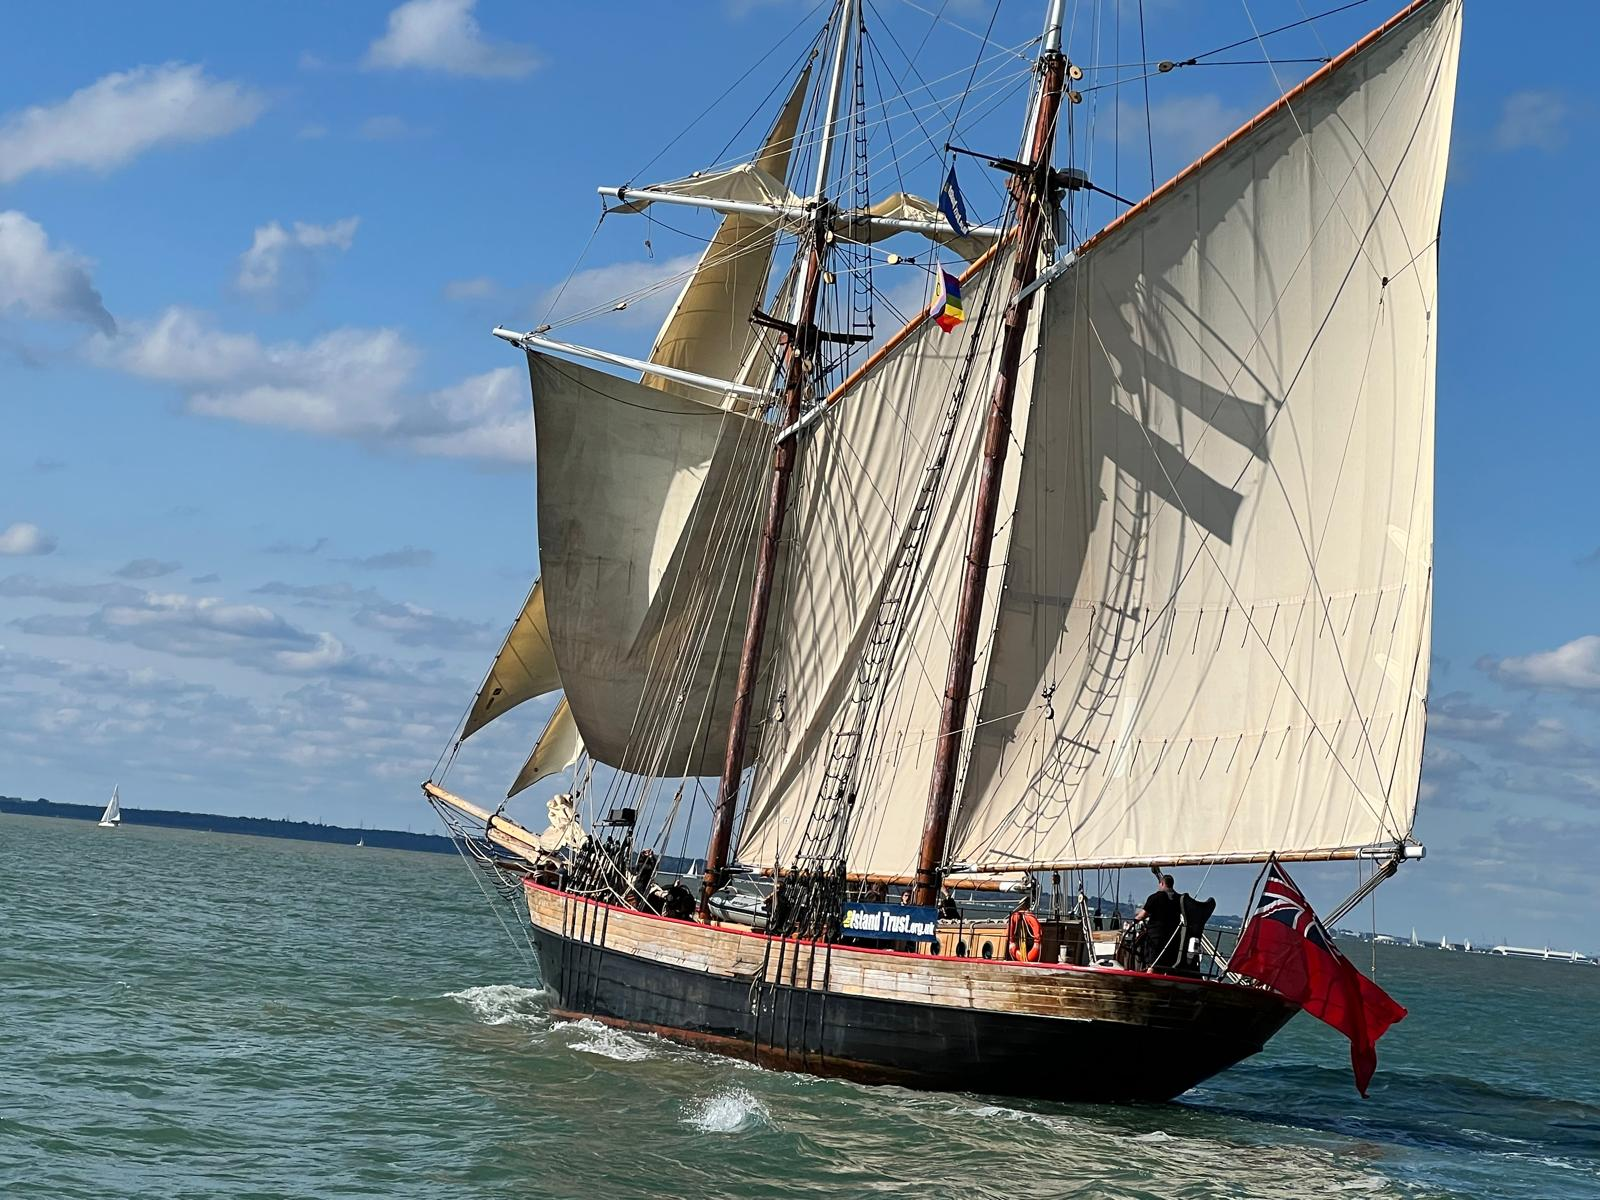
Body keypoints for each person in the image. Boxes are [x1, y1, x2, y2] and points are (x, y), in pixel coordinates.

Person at [1135, 873, 1181, 971]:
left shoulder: (1155, 897)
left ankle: (1149, 971)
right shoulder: (1179, 899)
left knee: (1152, 960)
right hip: (1173, 938)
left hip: (1156, 936)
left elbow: (1142, 915)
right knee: (1167, 961)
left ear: (1162, 883)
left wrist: (1135, 919)